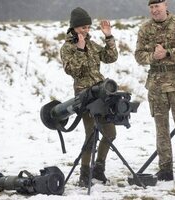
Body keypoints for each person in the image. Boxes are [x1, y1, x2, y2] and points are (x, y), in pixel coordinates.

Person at [60, 7, 118, 187]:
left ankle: (99, 169)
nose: (85, 30)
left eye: (87, 27)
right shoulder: (67, 48)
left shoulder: (92, 45)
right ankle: (85, 174)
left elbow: (111, 57)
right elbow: (72, 70)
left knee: (110, 132)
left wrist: (108, 37)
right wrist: (79, 49)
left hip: (101, 93)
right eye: (82, 27)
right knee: (91, 134)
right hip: (84, 96)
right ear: (73, 28)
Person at [135, 0, 175, 181]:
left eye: (157, 6)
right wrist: (153, 56)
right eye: (151, 7)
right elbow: (139, 55)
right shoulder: (145, 29)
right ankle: (165, 169)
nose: (154, 10)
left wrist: (168, 53)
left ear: (166, 5)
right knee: (161, 129)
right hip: (156, 85)